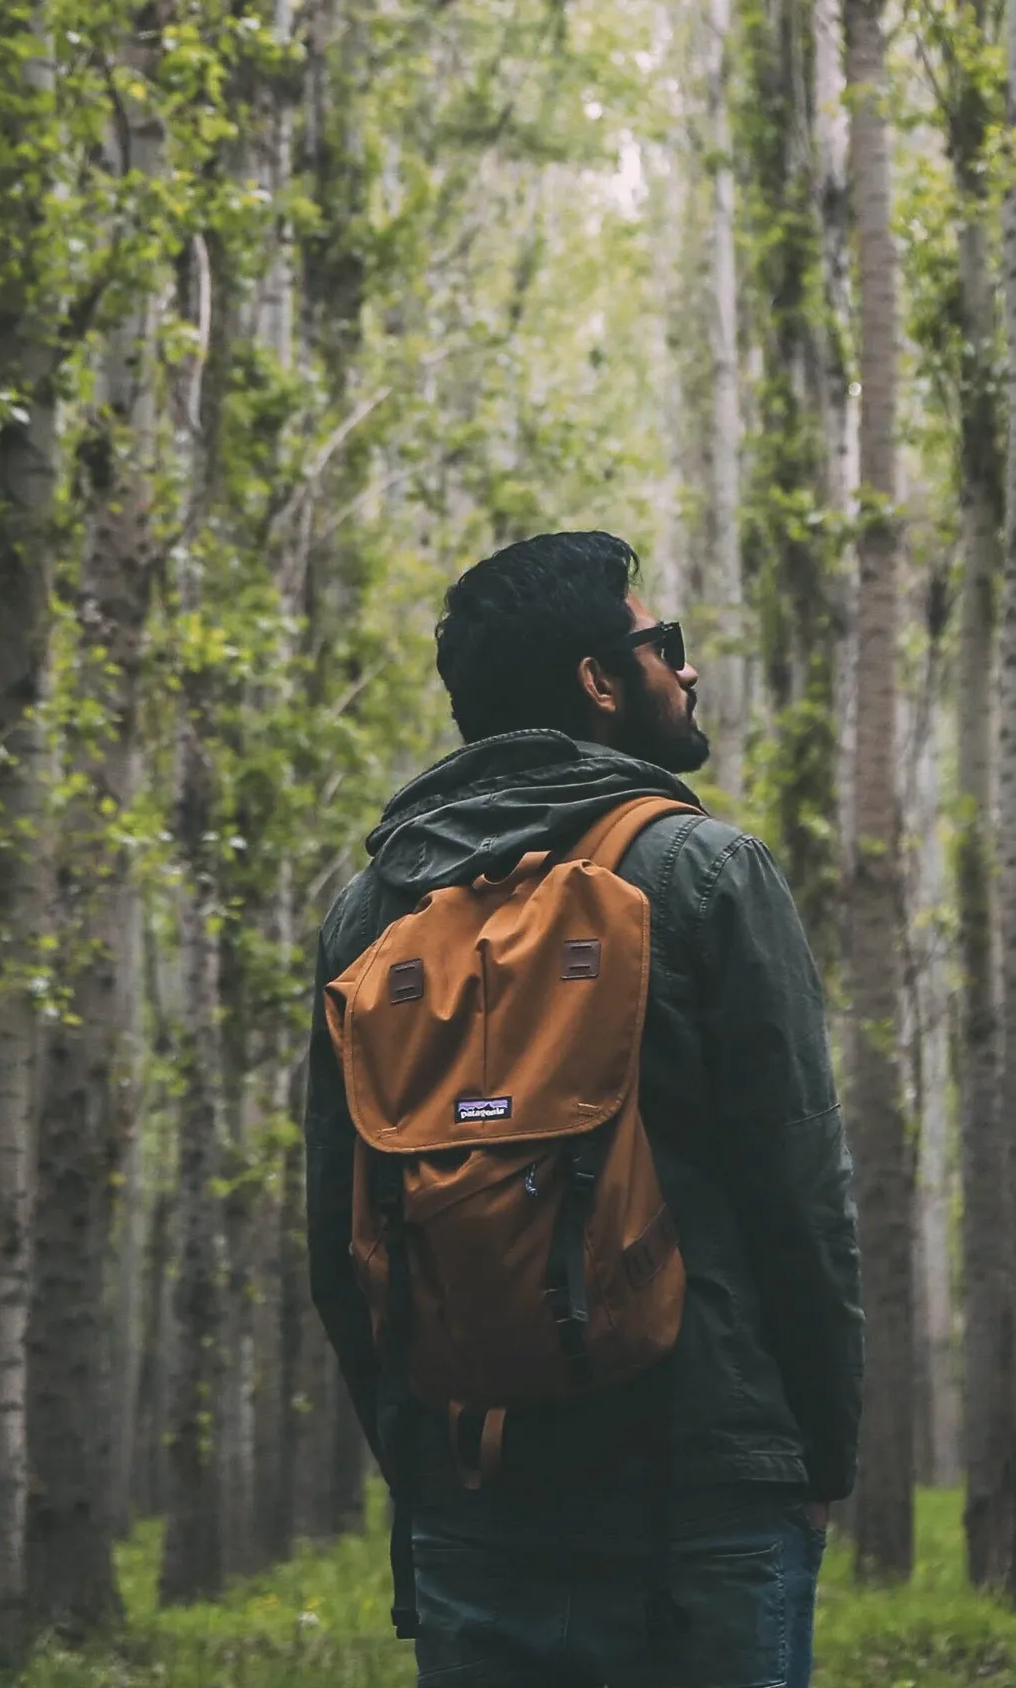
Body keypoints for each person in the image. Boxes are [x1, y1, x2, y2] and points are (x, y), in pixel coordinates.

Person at [303, 530, 862, 1688]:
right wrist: (813, 1452)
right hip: (704, 1484)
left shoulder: (370, 916)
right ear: (600, 683)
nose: (688, 669)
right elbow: (800, 1195)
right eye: (666, 644)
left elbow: (338, 1240)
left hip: (480, 1482)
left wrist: (423, 1471)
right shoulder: (705, 872)